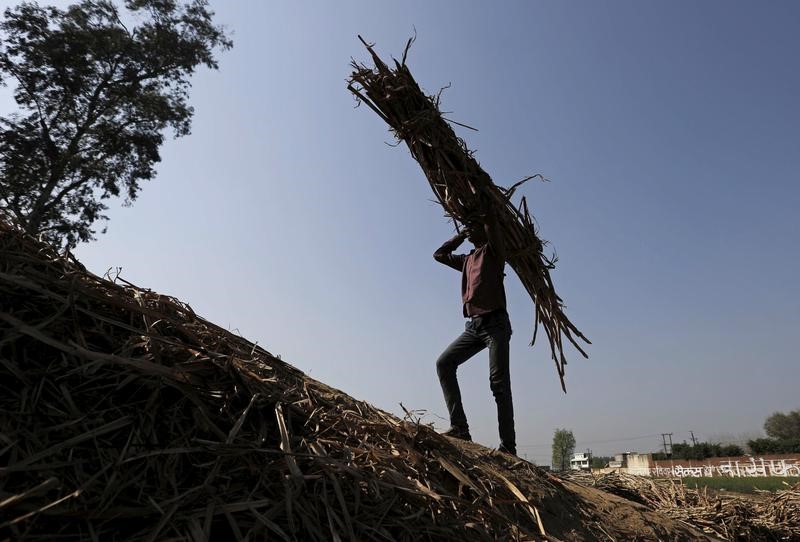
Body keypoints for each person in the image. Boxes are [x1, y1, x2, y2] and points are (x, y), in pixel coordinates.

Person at [433, 210, 516, 455]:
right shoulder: (467, 260)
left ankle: (508, 447)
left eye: (472, 227)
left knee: (498, 384)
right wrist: (460, 234)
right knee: (444, 364)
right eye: (466, 227)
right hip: (474, 327)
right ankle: (460, 426)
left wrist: (483, 210)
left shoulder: (494, 252)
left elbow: (491, 220)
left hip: (496, 325)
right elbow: (439, 255)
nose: (469, 231)